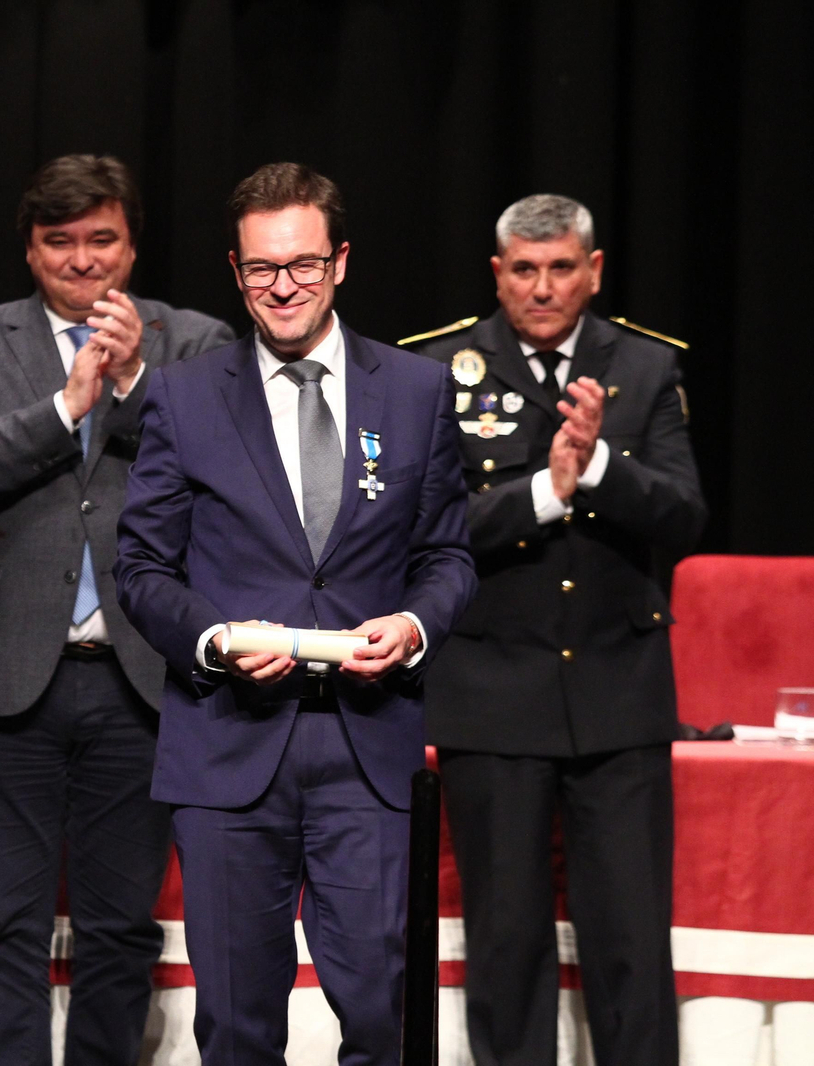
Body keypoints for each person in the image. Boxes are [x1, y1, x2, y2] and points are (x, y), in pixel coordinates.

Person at [113, 162, 476, 1066]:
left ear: (340, 262)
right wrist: (214, 640)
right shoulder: (183, 394)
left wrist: (414, 627)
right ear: (236, 272)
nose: (284, 286)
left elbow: (446, 557)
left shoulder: (418, 390)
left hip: (368, 748)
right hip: (229, 743)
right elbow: (143, 568)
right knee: (237, 1025)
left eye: (304, 264)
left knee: (383, 1015)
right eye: (262, 268)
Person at [0, 154, 234, 1066]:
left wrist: (131, 383)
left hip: (141, 674)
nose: (83, 259)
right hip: (5, 672)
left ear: (132, 247)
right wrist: (64, 408)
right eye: (61, 241)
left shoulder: (195, 342)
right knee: (5, 922)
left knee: (120, 926)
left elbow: (225, 466)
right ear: (31, 249)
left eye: (103, 239)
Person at [400, 194, 704, 1066]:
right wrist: (545, 491)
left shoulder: (644, 366)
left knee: (631, 943)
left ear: (593, 271)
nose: (543, 288)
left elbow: (685, 516)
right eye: (525, 270)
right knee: (508, 941)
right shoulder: (437, 368)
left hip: (619, 694)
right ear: (498, 274)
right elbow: (421, 531)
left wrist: (599, 464)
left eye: (561, 268)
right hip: (492, 695)